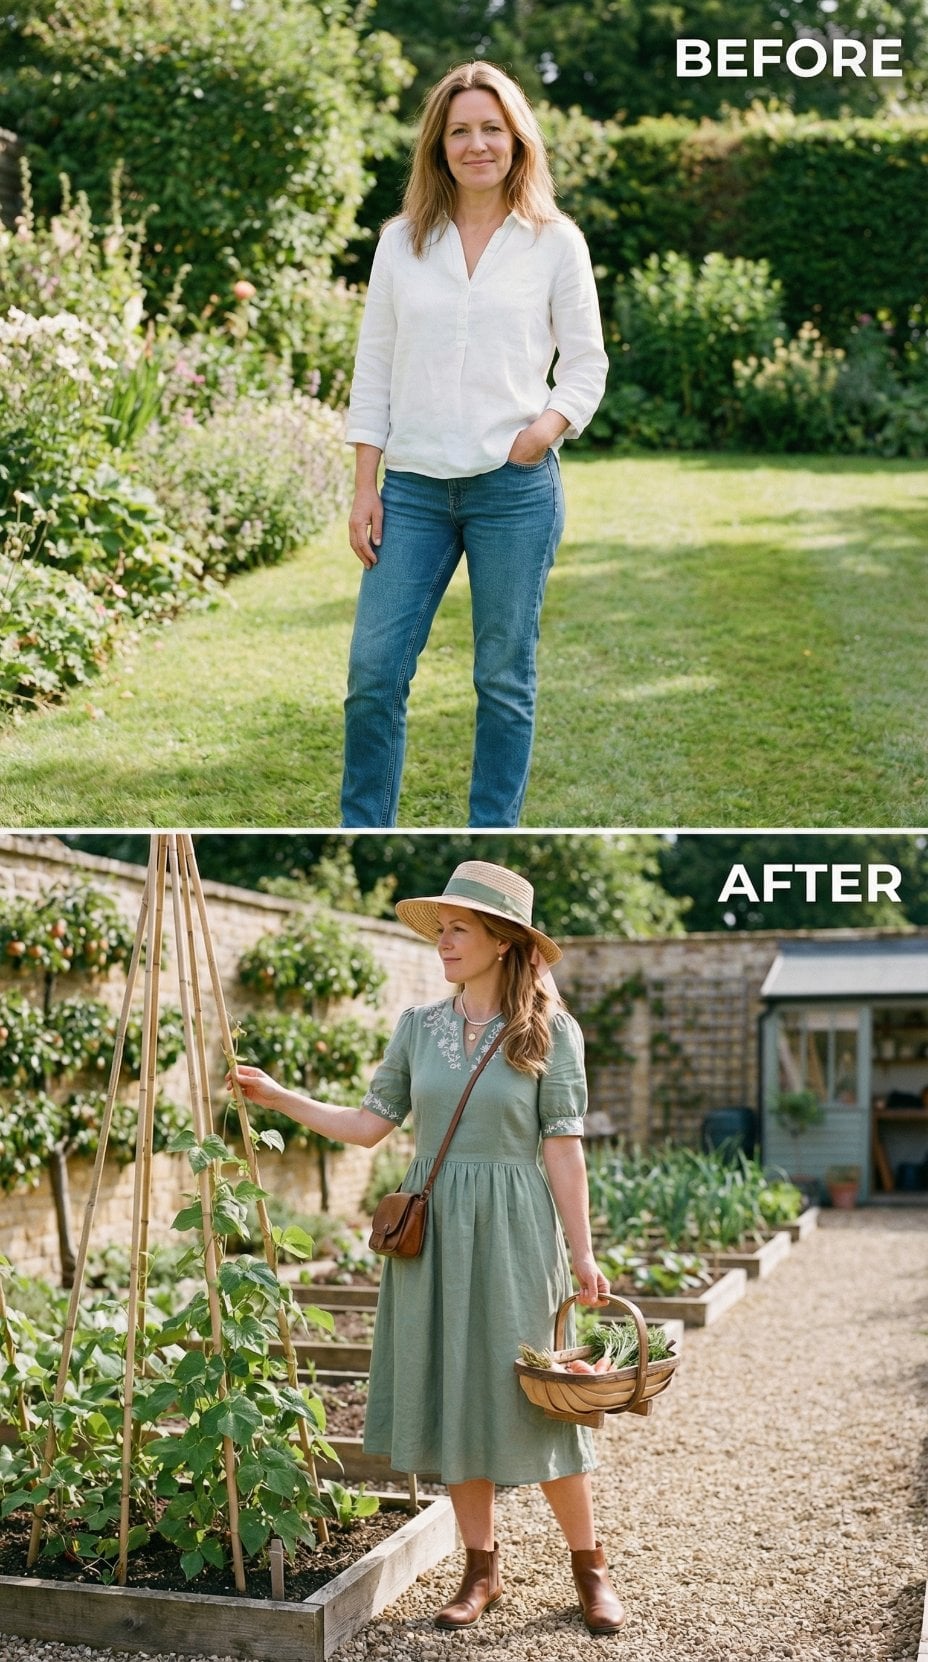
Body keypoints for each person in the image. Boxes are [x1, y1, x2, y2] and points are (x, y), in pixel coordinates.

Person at [229, 860, 626, 1635]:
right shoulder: (418, 1028)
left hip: (516, 1233)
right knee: (456, 1395)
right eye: (441, 928)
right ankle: (482, 1569)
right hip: (435, 1233)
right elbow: (370, 1125)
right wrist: (280, 1095)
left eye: (459, 929)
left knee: (540, 1402)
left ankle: (592, 1567)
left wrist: (583, 1255)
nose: (443, 942)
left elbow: (564, 1151)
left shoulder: (551, 1032)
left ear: (504, 943)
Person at [341, 62, 608, 830]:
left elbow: (586, 363)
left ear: (517, 139)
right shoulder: (400, 243)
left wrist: (544, 432)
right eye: (460, 130)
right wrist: (366, 487)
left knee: (502, 677)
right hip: (415, 493)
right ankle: (363, 824)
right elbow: (375, 367)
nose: (476, 143)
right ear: (438, 145)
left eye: (492, 127)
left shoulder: (554, 243)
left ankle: (491, 840)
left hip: (512, 490)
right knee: (373, 674)